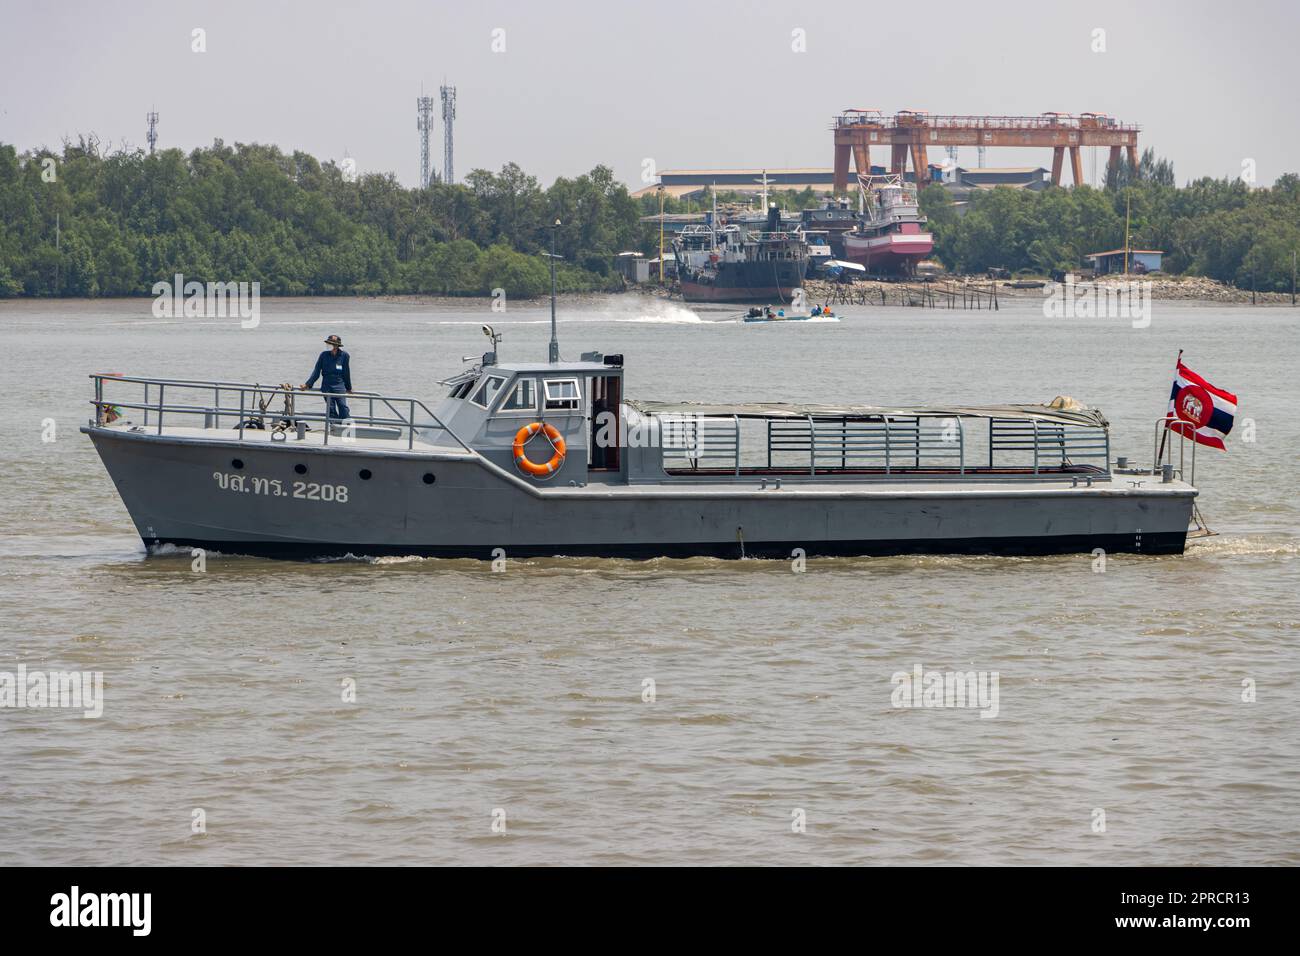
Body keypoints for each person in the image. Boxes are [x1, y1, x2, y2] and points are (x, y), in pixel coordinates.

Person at [303, 335, 352, 421]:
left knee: (343, 406)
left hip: (339, 385)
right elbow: (316, 371)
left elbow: (346, 373)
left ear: (336, 346)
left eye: (331, 344)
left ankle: (347, 427)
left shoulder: (344, 355)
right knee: (331, 409)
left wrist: (349, 388)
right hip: (327, 385)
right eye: (328, 343)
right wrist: (308, 384)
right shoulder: (323, 355)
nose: (328, 345)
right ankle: (334, 428)